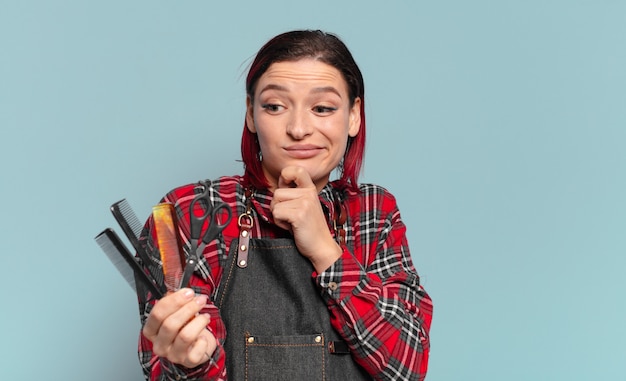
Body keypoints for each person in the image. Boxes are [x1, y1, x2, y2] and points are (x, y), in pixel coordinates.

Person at [137, 30, 433, 381]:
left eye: (322, 108)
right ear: (250, 113)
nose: (298, 128)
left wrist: (325, 249)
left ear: (353, 116)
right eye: (275, 106)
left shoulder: (374, 210)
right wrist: (191, 361)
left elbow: (407, 367)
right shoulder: (182, 213)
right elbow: (163, 365)